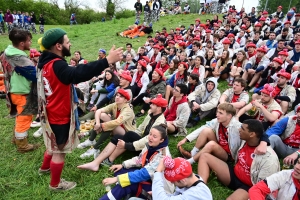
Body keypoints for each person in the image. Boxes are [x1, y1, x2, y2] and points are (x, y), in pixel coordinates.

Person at [36, 28, 123, 191]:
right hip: (59, 115)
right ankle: (55, 184)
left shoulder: (44, 62)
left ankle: (44, 168)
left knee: (52, 144)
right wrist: (106, 61)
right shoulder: (57, 65)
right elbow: (78, 73)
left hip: (49, 112)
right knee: (59, 151)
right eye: (67, 42)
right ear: (58, 46)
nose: (70, 44)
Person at [77, 94, 168, 171]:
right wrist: (129, 140)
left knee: (126, 134)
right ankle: (96, 162)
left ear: (159, 108)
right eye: (116, 95)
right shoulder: (151, 115)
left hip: (148, 149)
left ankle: (106, 158)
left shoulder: (160, 122)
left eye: (153, 104)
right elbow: (140, 129)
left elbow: (149, 139)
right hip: (138, 139)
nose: (150, 105)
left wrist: (128, 145)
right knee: (120, 137)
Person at [198, 119, 280, 200]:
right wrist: (264, 141)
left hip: (248, 186)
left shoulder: (269, 158)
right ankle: (200, 188)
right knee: (204, 156)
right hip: (234, 174)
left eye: (242, 129)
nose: (239, 129)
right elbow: (260, 132)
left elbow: (264, 186)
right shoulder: (246, 140)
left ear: (251, 134)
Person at [99, 124, 169, 200]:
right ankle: (128, 192)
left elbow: (143, 174)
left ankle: (122, 192)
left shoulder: (162, 156)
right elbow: (139, 159)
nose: (150, 138)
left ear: (161, 140)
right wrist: (123, 165)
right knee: (119, 171)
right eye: (150, 134)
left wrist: (117, 179)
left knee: (125, 183)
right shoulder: (151, 145)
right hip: (148, 176)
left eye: (154, 136)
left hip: (156, 188)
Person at [1, 28, 40, 152]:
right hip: (21, 91)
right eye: (29, 41)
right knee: (24, 117)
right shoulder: (21, 60)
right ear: (22, 43)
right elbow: (35, 76)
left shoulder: (7, 52)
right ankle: (22, 145)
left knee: (19, 115)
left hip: (12, 89)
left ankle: (16, 138)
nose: (30, 43)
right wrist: (36, 62)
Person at [78, 89, 136, 159]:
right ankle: (91, 140)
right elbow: (99, 111)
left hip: (126, 133)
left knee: (109, 125)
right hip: (118, 128)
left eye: (121, 97)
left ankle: (96, 148)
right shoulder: (115, 104)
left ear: (125, 100)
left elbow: (117, 122)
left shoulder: (127, 110)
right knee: (102, 116)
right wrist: (98, 124)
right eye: (117, 95)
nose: (117, 97)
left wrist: (102, 125)